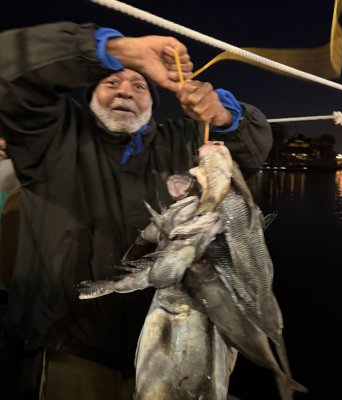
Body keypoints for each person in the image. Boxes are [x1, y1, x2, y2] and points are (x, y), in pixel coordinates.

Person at [0, 21, 273, 400]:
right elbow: (10, 70)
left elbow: (252, 149)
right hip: (72, 347)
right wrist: (118, 50)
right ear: (90, 94)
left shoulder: (182, 139)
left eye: (139, 86)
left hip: (177, 341)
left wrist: (224, 116)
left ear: (152, 103)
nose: (125, 90)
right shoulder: (52, 138)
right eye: (111, 82)